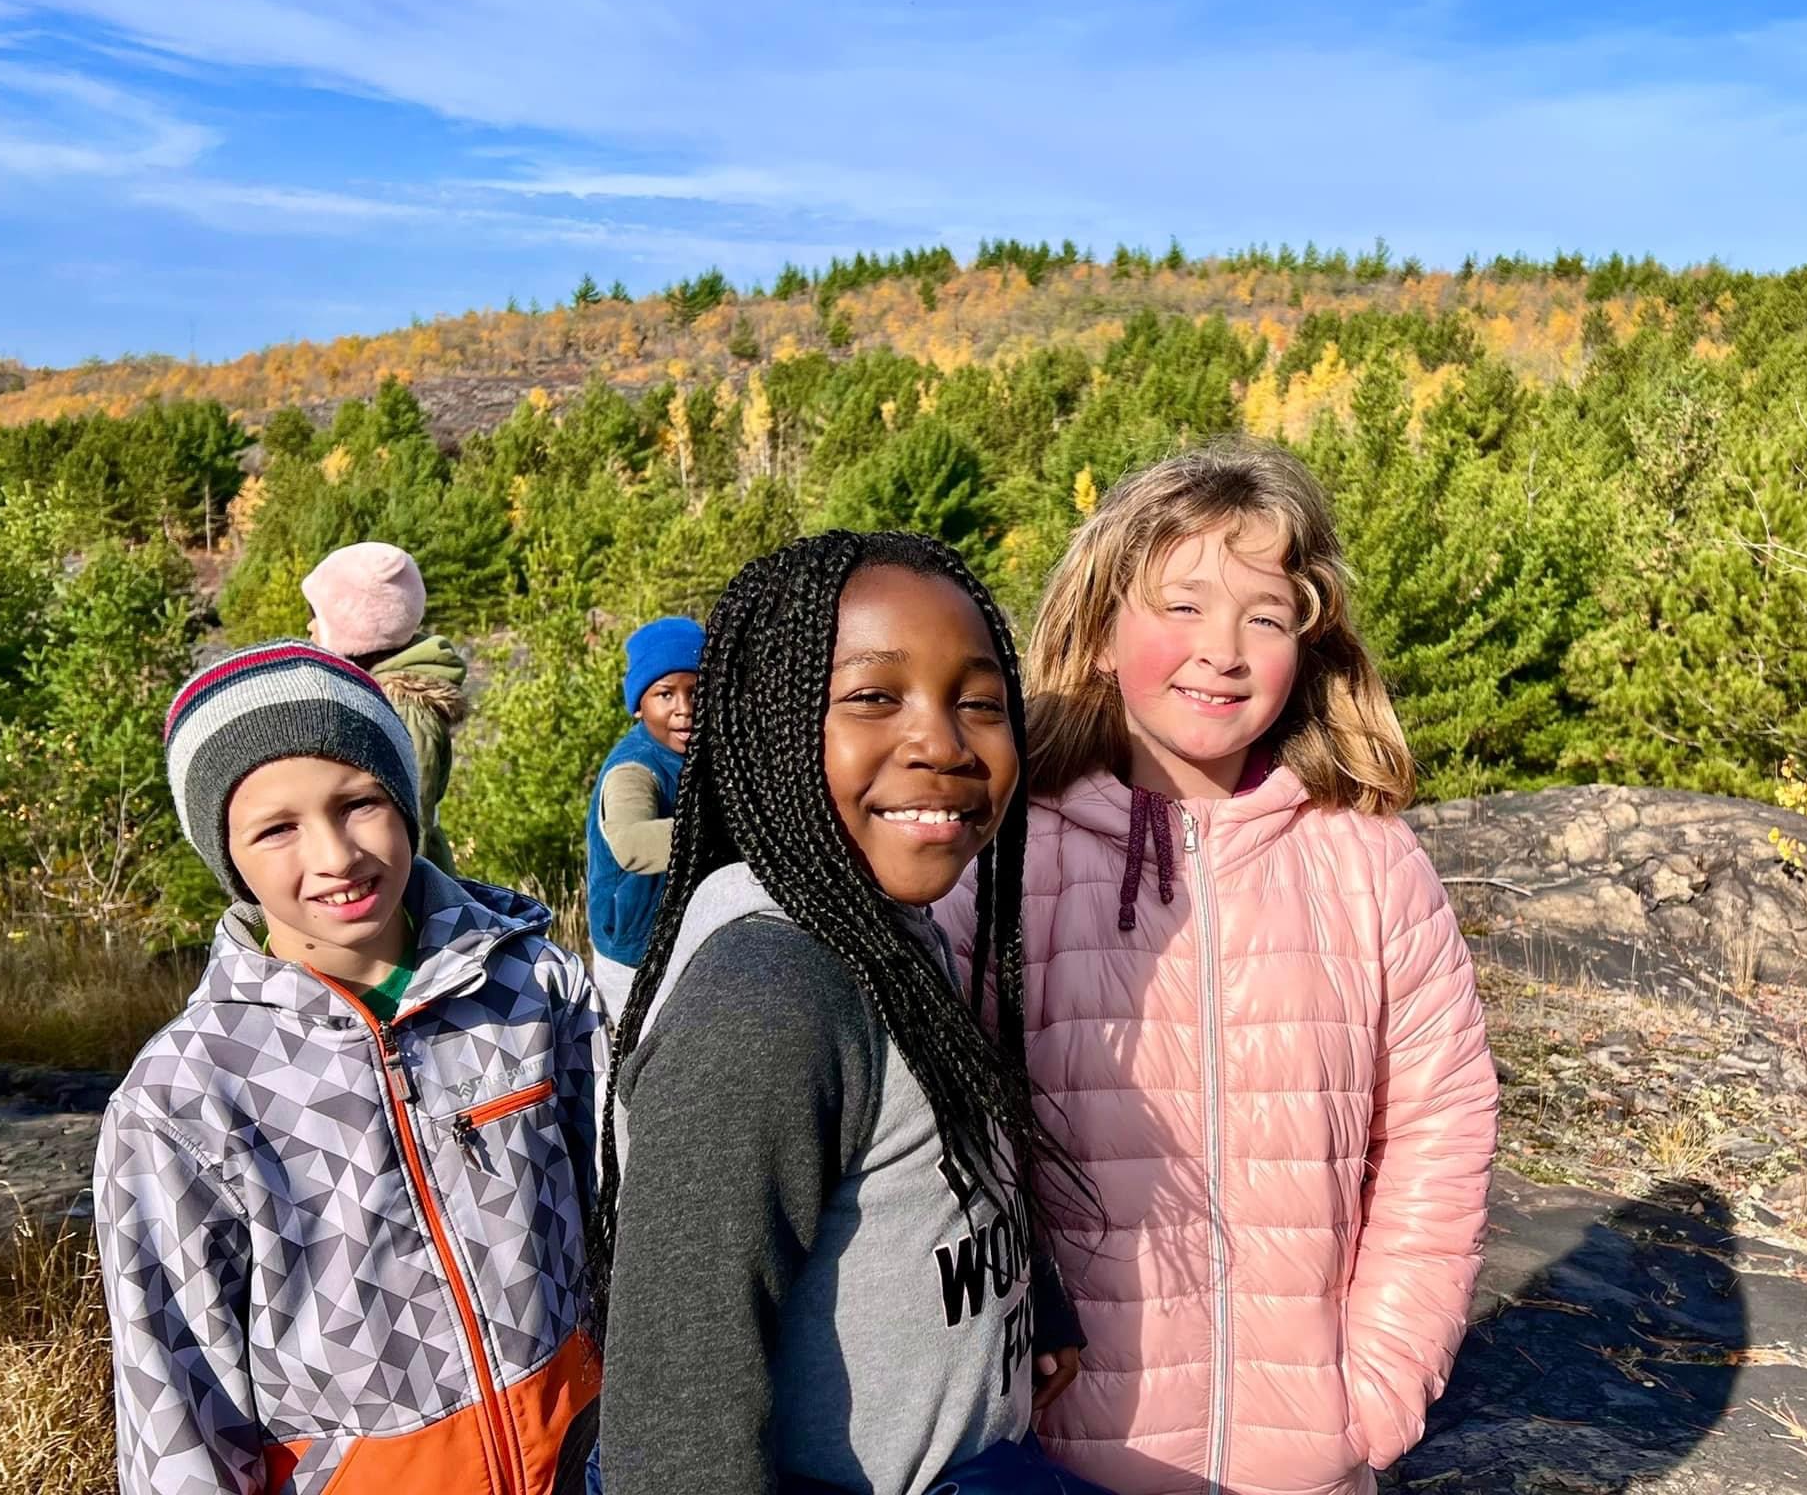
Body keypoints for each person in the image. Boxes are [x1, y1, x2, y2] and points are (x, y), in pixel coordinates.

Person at [938, 439, 1498, 1495]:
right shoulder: (1004, 863)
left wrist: (1377, 1387)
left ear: (1308, 640)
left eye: (1265, 616)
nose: (1222, 651)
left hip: (1309, 1458)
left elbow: (1439, 1129)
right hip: (1056, 1459)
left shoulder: (1369, 861)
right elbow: (940, 1144)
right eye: (1180, 606)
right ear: (1101, 628)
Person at [594, 532, 1108, 1495]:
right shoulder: (770, 995)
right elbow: (679, 1409)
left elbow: (944, 1148)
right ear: (764, 724)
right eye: (875, 697)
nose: (944, 743)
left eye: (983, 703)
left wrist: (1031, 1290)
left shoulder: (893, 923)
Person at [96, 639, 600, 1493]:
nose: (335, 855)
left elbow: (624, 1221)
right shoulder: (185, 1096)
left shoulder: (532, 987)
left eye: (360, 802)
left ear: (407, 803)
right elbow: (173, 1401)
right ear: (227, 855)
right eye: (277, 828)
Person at [304, 540, 467, 875]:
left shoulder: (406, 709)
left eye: (316, 616)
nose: (309, 628)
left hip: (406, 901)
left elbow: (408, 828)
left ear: (354, 628)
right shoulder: (383, 697)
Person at [583, 616, 702, 1025]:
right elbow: (631, 843)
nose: (683, 710)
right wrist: (726, 830)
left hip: (678, 934)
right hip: (632, 948)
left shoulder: (703, 752)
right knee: (639, 1049)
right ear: (639, 706)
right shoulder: (635, 767)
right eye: (665, 695)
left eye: (696, 691)